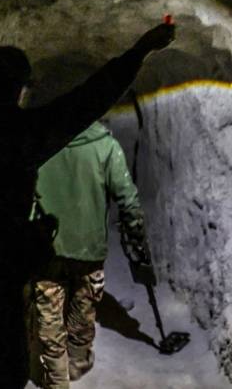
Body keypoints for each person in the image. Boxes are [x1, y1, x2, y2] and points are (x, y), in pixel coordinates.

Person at [0, 22, 174, 389]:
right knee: (2, 377)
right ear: (19, 90)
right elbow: (86, 101)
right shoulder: (17, 136)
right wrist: (140, 50)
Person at [32, 120, 147, 388]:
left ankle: (57, 378)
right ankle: (78, 360)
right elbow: (127, 198)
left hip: (47, 247)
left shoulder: (38, 147)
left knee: (49, 314)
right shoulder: (106, 146)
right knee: (83, 306)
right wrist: (136, 232)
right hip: (89, 247)